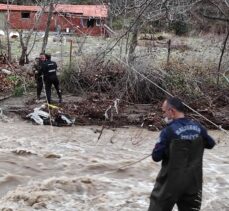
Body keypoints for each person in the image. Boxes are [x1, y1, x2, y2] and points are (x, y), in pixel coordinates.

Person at [148, 97, 216, 211]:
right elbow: (211, 144)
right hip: (193, 183)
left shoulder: (168, 131)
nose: (164, 115)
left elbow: (156, 157)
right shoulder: (199, 127)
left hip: (169, 184)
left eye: (164, 111)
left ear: (172, 111)